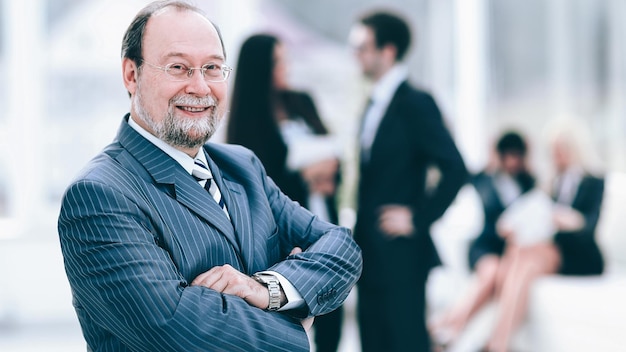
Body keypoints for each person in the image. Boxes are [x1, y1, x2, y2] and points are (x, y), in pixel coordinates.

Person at [57, 2, 362, 351]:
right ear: (131, 74)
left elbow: (341, 248)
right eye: (178, 67)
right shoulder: (99, 195)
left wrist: (268, 290)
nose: (200, 87)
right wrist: (296, 327)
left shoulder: (242, 166)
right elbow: (173, 329)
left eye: (212, 68)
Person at [349, 10, 468, 352]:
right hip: (369, 251)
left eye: (362, 46)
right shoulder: (373, 103)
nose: (356, 54)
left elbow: (456, 168)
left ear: (388, 51)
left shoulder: (416, 102)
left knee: (405, 342)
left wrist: (418, 217)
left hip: (401, 255)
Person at [431, 127, 606, 352]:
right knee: (514, 255)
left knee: (511, 263)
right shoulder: (549, 183)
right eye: (552, 151)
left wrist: (566, 219)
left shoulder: (590, 181)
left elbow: (588, 225)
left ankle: (484, 338)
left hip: (578, 252)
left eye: (560, 150)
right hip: (536, 246)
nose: (556, 155)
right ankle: (493, 341)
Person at [226, 34, 344, 352]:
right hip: (285, 229)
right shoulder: (248, 119)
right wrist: (302, 176)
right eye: (278, 61)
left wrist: (330, 174)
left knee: (332, 304)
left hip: (322, 211)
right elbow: (257, 182)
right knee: (296, 312)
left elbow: (332, 148)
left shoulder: (301, 101)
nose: (285, 67)